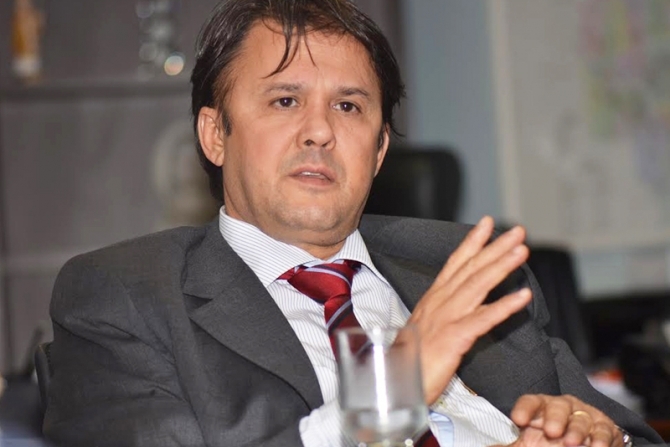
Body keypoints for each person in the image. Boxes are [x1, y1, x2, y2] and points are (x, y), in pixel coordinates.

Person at [43, 1, 662, 446]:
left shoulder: (464, 268)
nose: (319, 130)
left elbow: (630, 430)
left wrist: (601, 437)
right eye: (285, 100)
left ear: (380, 149)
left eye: (348, 105)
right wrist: (394, 390)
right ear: (215, 135)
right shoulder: (127, 296)